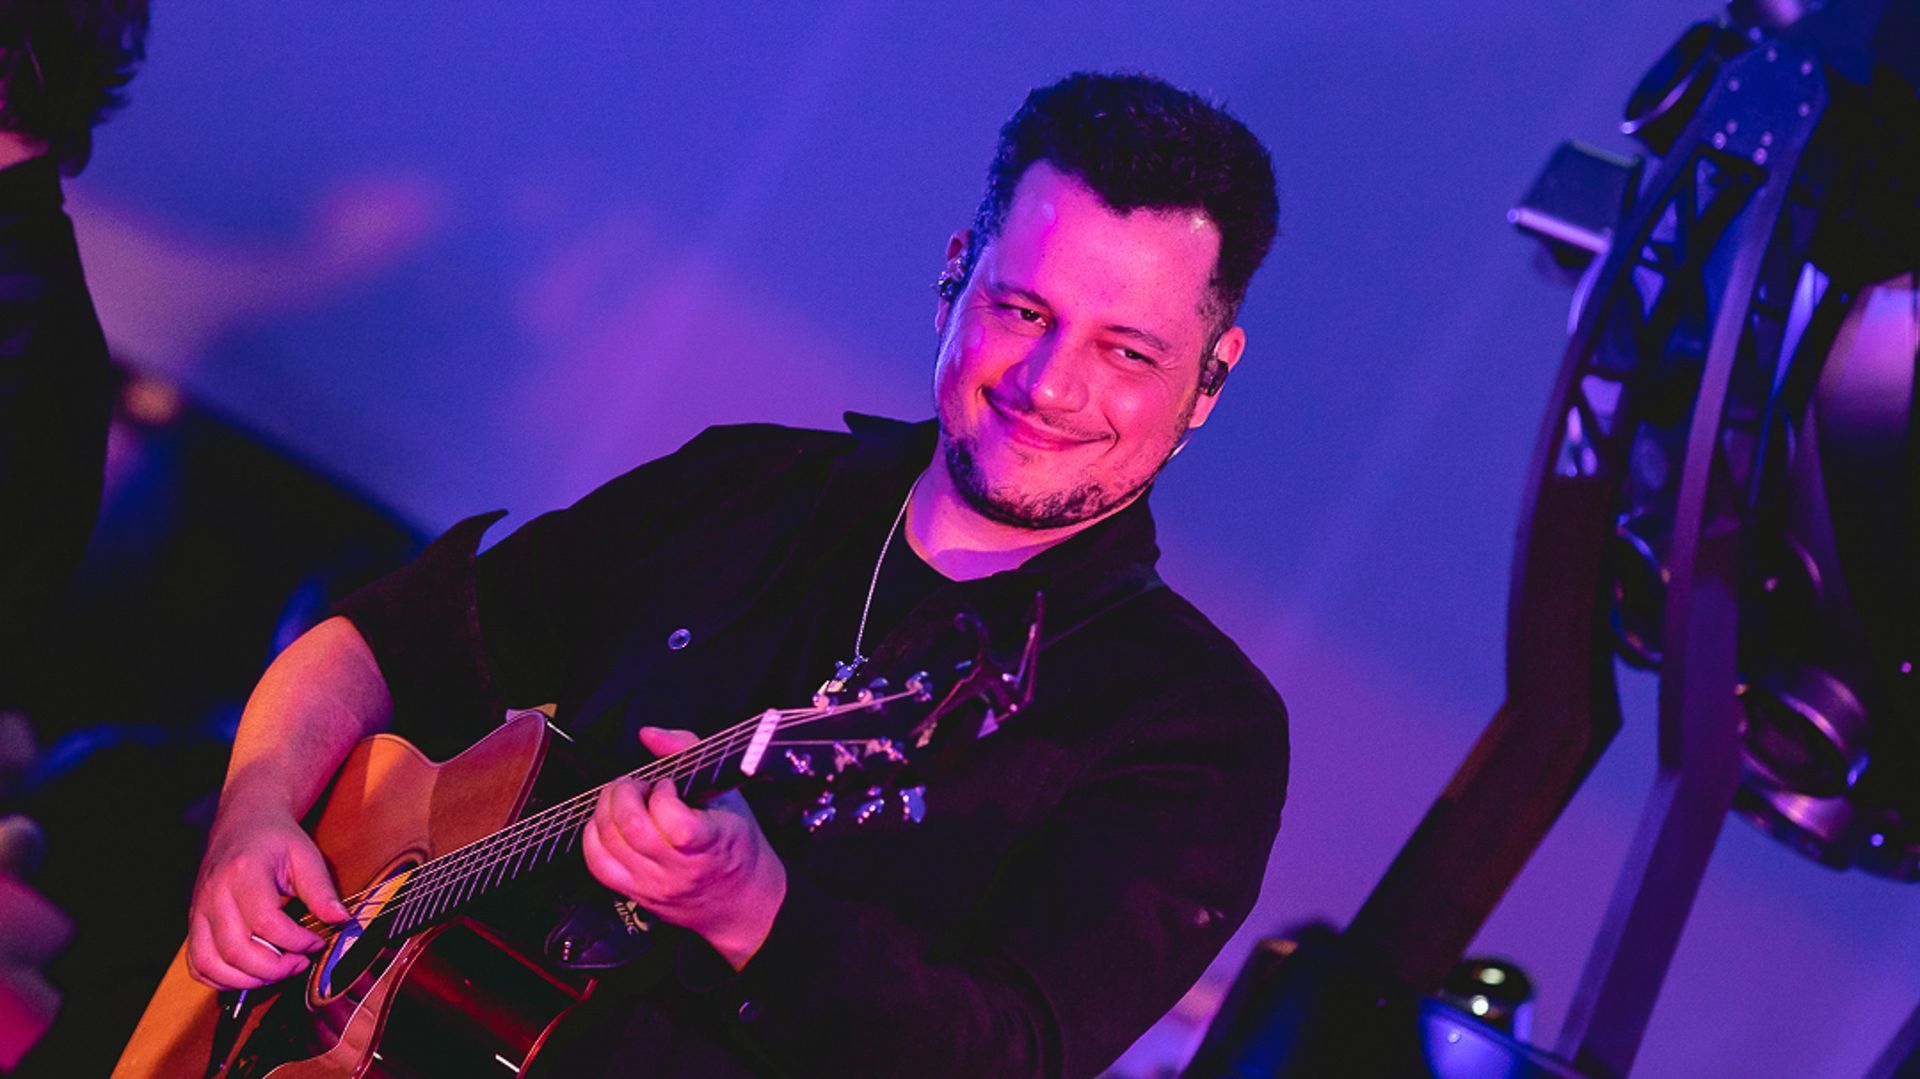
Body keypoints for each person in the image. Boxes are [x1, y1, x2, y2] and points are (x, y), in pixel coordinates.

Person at [180, 71, 1289, 1077]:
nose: (1050, 385)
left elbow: (1012, 1055)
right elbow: (377, 645)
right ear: (956, 272)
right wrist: (256, 810)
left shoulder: (1195, 725)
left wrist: (759, 912)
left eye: (1127, 350)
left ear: (1209, 381)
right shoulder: (743, 484)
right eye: (1023, 310)